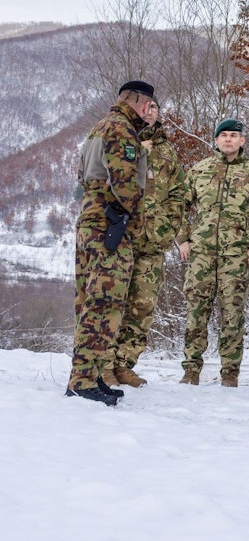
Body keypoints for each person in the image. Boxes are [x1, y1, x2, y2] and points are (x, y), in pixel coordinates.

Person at [67, 80, 158, 406]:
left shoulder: (97, 129)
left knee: (88, 302)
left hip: (91, 223)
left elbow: (83, 178)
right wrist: (136, 222)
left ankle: (88, 376)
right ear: (144, 104)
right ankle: (82, 382)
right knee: (103, 306)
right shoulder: (121, 130)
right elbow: (124, 186)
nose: (149, 112)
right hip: (111, 229)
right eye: (149, 107)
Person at [177, 119, 249, 387]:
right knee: (196, 313)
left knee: (232, 315)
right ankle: (191, 370)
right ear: (215, 140)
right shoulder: (200, 170)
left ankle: (230, 373)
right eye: (223, 135)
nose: (228, 140)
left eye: (233, 136)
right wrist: (183, 239)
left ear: (242, 141)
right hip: (200, 254)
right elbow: (177, 205)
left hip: (235, 256)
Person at [100, 100, 185, 388]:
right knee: (112, 302)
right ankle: (104, 366)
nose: (150, 114)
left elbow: (179, 195)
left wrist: (168, 228)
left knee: (142, 306)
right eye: (145, 108)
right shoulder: (123, 140)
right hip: (121, 239)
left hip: (153, 243)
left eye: (155, 110)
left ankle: (124, 365)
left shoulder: (167, 152)